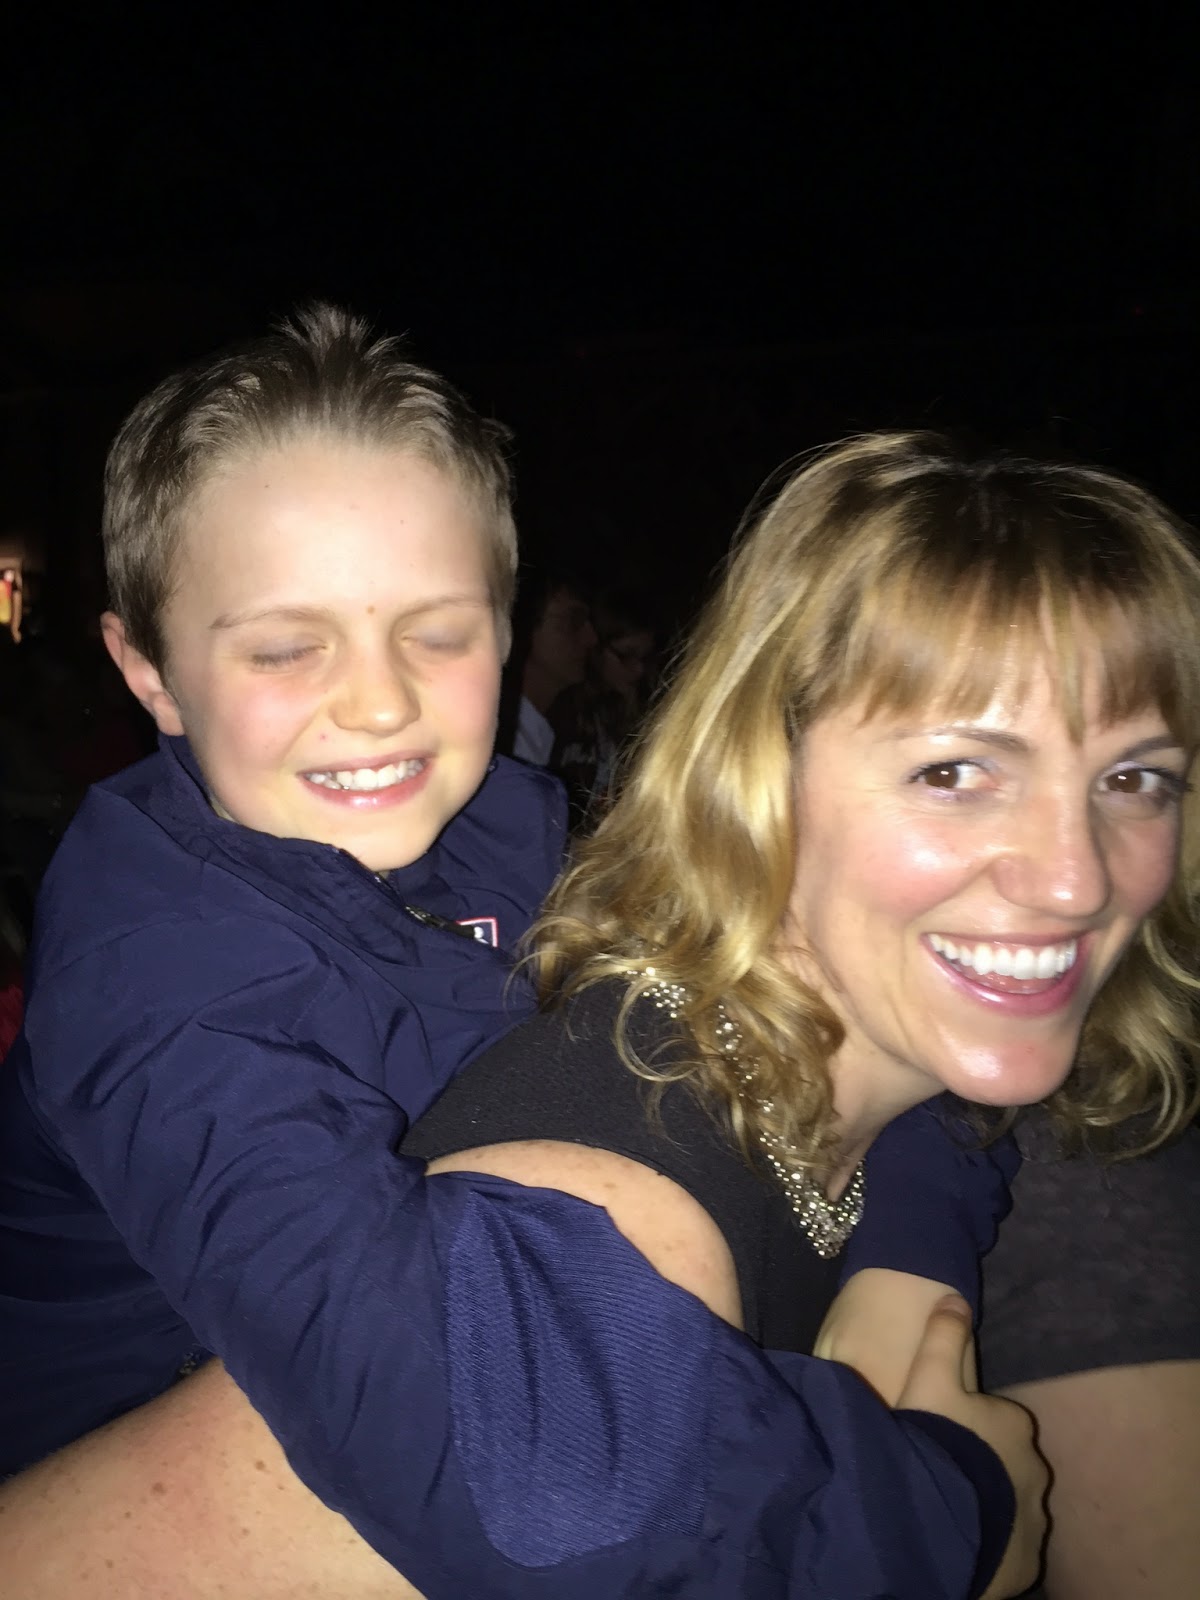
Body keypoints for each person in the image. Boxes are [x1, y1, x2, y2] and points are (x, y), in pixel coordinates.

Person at [10, 431, 1200, 1598]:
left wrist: (908, 1254)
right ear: (145, 670)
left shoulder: (496, 833)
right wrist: (950, 1507)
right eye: (284, 647)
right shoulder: (160, 986)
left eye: (438, 631)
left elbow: (879, 1027)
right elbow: (518, 1467)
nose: (378, 704)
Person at [550, 585, 658, 826]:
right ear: (596, 648)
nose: (638, 669)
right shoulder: (562, 709)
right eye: (625, 655)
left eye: (644, 657)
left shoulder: (632, 710)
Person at [505, 566, 597, 765]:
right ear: (523, 625)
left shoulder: (549, 730)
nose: (591, 638)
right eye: (573, 621)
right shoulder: (504, 744)